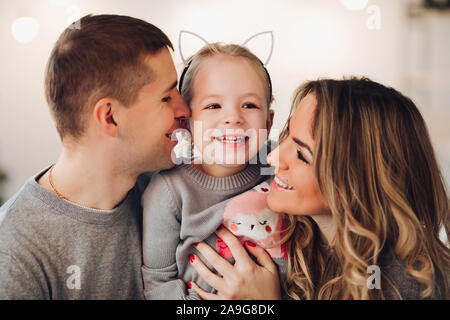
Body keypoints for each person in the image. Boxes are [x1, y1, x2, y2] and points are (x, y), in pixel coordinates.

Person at [189, 77, 450, 300]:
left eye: (302, 155)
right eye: (287, 135)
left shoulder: (410, 282)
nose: (273, 158)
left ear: (356, 180)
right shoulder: (301, 239)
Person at [0, 14, 191, 299]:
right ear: (110, 117)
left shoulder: (173, 190)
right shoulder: (14, 253)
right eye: (166, 97)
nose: (184, 109)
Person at [141, 43, 289, 300]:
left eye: (250, 105)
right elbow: (157, 284)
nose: (233, 118)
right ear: (187, 121)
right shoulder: (169, 191)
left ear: (269, 121)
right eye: (213, 106)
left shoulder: (280, 167)